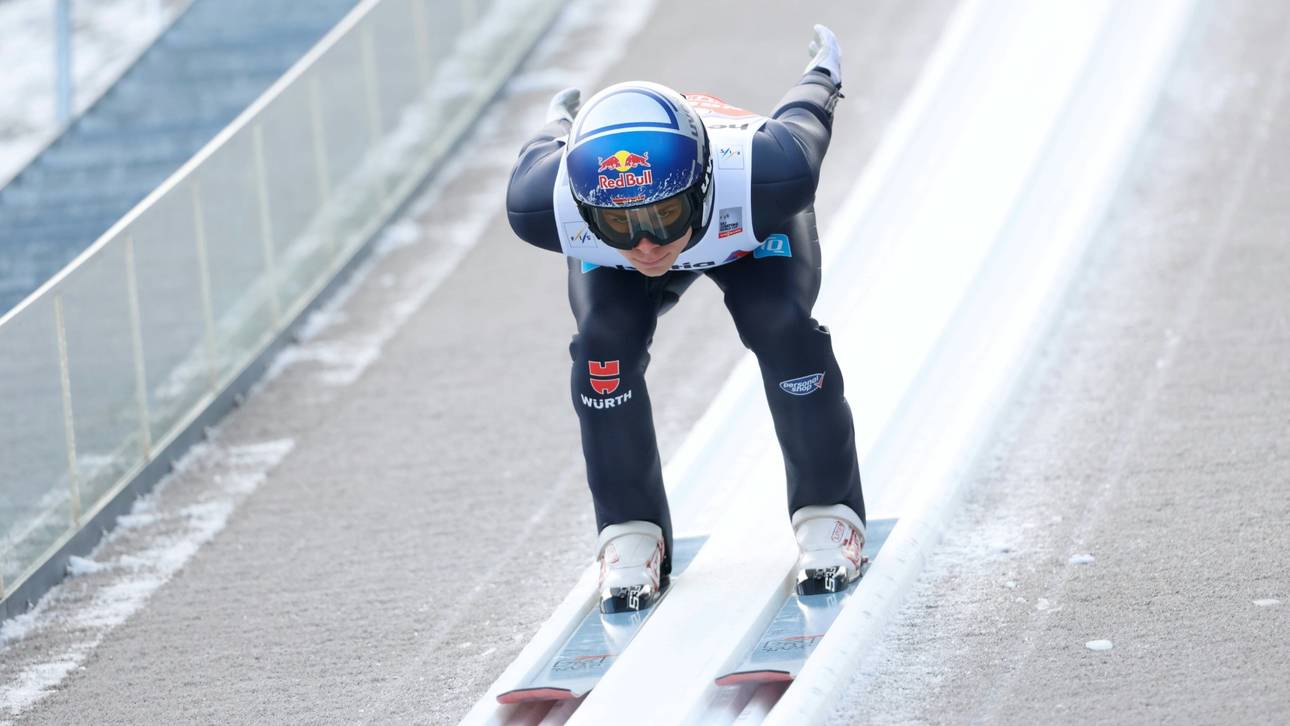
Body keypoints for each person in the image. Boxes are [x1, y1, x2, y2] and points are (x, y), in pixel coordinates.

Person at [506, 25, 866, 613]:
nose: (649, 244)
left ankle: (830, 512)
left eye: (665, 214)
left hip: (746, 228)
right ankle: (628, 531)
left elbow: (806, 109)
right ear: (582, 206)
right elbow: (546, 145)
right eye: (622, 222)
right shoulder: (539, 202)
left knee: (780, 322)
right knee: (603, 347)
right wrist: (560, 121)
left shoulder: (770, 171)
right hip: (691, 224)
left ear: (702, 183)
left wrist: (823, 71)